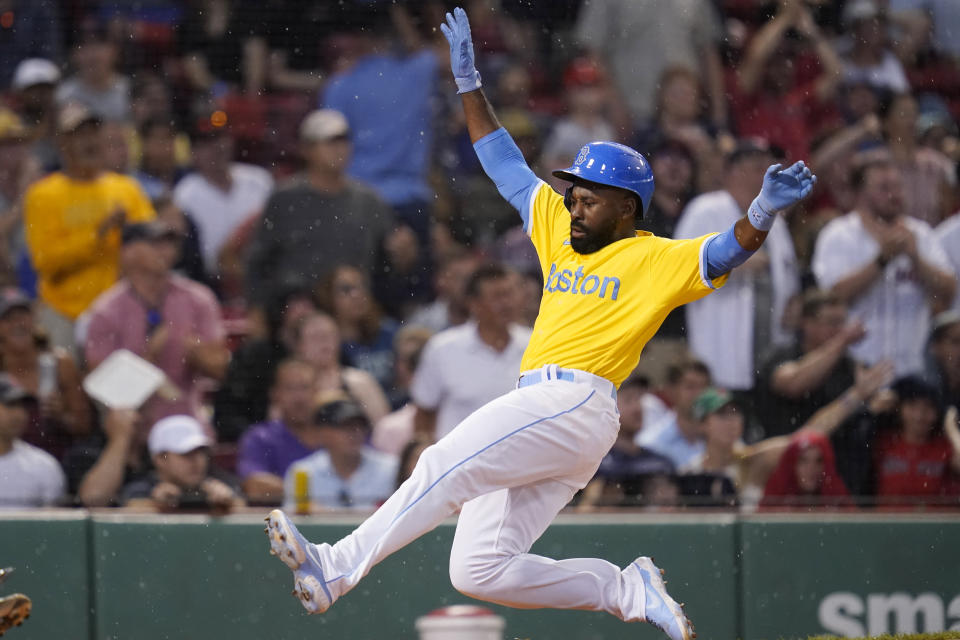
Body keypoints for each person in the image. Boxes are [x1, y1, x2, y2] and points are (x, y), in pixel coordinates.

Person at [264, 10, 815, 640]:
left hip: (577, 398)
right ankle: (622, 587)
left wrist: (762, 212)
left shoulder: (652, 255)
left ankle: (335, 567)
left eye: (589, 198)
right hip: (552, 414)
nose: (574, 205)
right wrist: (470, 84)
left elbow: (722, 252)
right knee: (477, 570)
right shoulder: (557, 226)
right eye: (573, 195)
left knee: (443, 462)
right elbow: (501, 160)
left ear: (626, 207)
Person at [244, 109, 409, 310]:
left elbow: (390, 265)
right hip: (298, 310)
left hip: (354, 312)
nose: (339, 149)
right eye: (330, 142)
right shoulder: (285, 198)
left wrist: (405, 254)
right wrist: (258, 311)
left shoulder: (369, 200)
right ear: (306, 149)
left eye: (344, 141)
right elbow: (259, 262)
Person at [24, 103, 155, 353]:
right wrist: (99, 234)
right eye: (78, 135)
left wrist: (129, 232)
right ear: (62, 143)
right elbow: (45, 261)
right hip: (64, 311)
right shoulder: (43, 194)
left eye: (93, 133)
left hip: (119, 311)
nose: (89, 142)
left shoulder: (126, 189)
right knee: (61, 382)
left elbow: (152, 248)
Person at [812, 152, 956, 376]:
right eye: (884, 187)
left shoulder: (920, 233)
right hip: (857, 365)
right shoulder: (838, 235)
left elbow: (949, 288)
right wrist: (881, 260)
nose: (894, 194)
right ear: (860, 193)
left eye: (898, 186)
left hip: (914, 368)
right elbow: (833, 295)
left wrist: (916, 258)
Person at [84, 221, 229, 429]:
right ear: (128, 252)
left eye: (170, 243)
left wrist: (197, 354)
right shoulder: (106, 311)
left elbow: (221, 371)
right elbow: (103, 390)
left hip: (187, 422)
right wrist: (148, 359)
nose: (166, 250)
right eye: (155, 243)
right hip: (132, 430)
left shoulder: (198, 299)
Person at [410, 263, 531, 443]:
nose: (507, 303)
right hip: (460, 463)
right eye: (498, 296)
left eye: (510, 294)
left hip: (522, 461)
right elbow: (424, 413)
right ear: (474, 304)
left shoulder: (535, 343)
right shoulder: (442, 349)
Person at [172, 119, 273, 282]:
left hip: (263, 275)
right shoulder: (184, 194)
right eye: (206, 143)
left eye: (219, 138)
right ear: (193, 153)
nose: (216, 148)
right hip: (210, 280)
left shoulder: (259, 180)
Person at [0, 289, 91, 462]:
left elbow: (84, 427)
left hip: (61, 460)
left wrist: (61, 416)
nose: (18, 324)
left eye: (23, 316)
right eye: (8, 319)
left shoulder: (61, 363)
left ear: (34, 319)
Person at [756, 290, 862, 438]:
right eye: (832, 322)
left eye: (842, 322)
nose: (839, 330)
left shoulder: (848, 365)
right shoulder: (781, 356)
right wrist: (842, 342)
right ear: (807, 323)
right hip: (788, 452)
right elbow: (793, 384)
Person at [579, 375, 678, 509]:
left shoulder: (659, 462)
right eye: (628, 399)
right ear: (607, 406)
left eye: (639, 399)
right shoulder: (592, 461)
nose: (637, 408)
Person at [283, 398, 397, 511]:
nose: (354, 433)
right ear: (323, 432)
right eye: (344, 427)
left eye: (359, 426)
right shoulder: (302, 472)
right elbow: (292, 521)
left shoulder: (391, 468)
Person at [236, 359, 323, 505]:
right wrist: (308, 497)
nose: (299, 397)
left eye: (305, 387)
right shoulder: (260, 438)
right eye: (290, 388)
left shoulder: (336, 433)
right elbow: (254, 484)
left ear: (317, 392)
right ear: (275, 394)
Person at [121, 414, 244, 512]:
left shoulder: (218, 481)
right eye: (185, 454)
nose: (197, 461)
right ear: (160, 459)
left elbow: (244, 508)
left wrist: (228, 504)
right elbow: (130, 508)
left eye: (200, 452)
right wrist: (155, 504)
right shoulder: (139, 488)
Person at [872, 376, 960, 506]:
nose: (919, 415)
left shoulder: (944, 446)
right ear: (899, 409)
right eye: (912, 405)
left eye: (928, 407)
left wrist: (951, 428)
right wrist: (872, 412)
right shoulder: (883, 441)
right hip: (888, 524)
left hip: (935, 524)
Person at [0, 375, 64, 508]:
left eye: (23, 407)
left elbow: (52, 524)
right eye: (10, 405)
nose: (19, 414)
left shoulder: (44, 465)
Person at [638, 360, 712, 469]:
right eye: (690, 387)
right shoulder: (651, 445)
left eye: (704, 387)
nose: (699, 394)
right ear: (671, 391)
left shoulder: (723, 437)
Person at [759, 431, 853, 510]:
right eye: (803, 460)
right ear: (791, 465)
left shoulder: (838, 500)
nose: (811, 469)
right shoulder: (774, 499)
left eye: (818, 461)